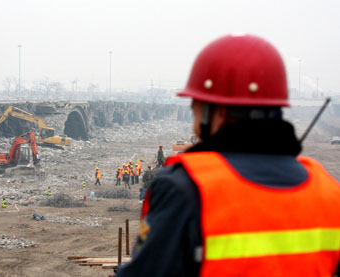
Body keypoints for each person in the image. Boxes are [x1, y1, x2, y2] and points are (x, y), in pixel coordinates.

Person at [117, 34, 340, 276]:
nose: (194, 127)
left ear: (218, 113)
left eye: (195, 112)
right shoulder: (328, 190)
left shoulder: (186, 188)